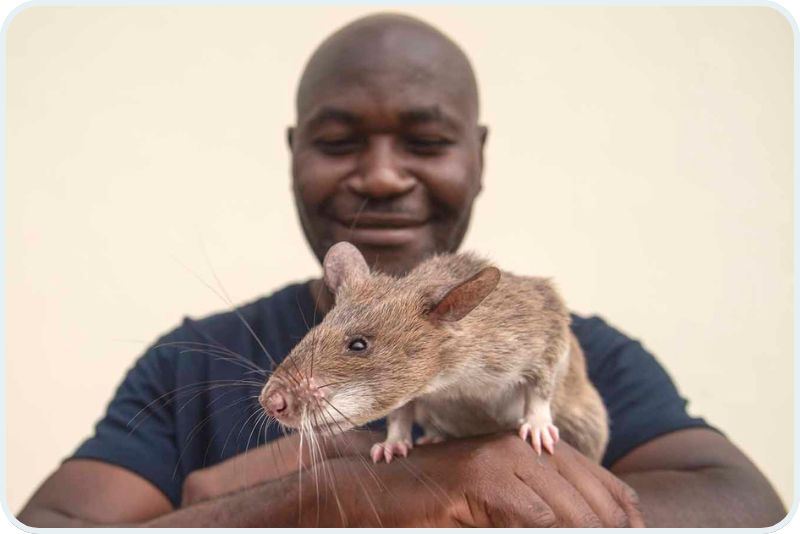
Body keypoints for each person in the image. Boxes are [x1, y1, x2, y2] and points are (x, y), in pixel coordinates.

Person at [17, 13, 785, 528]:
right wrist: (337, 494)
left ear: (479, 159)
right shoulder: (186, 362)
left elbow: (747, 503)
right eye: (341, 140)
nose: (383, 177)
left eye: (424, 141)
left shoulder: (585, 349)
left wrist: (477, 480)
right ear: (294, 157)